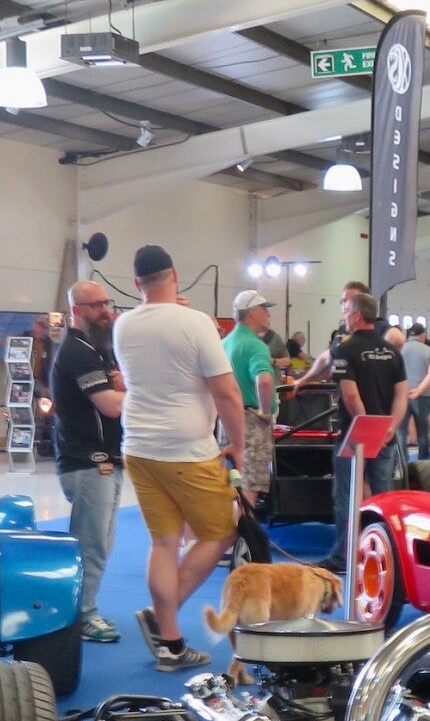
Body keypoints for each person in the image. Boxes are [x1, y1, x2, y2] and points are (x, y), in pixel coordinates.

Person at [112, 244, 247, 672]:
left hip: (139, 446)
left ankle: (169, 641)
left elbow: (157, 339)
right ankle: (162, 619)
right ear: (175, 274)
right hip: (187, 449)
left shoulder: (123, 324)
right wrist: (239, 444)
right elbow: (226, 391)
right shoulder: (196, 322)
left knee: (163, 543)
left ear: (136, 283)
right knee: (220, 532)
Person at [50, 281, 127, 643]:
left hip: (103, 459)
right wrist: (130, 390)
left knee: (101, 541)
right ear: (77, 311)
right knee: (91, 542)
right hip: (87, 461)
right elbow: (110, 405)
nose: (105, 311)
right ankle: (81, 614)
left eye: (106, 303)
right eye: (96, 306)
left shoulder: (97, 350)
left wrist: (122, 387)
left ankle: (83, 608)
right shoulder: (78, 353)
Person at [325, 291, 408, 572]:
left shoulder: (344, 349)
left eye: (347, 310)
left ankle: (343, 556)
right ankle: (390, 553)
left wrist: (365, 426)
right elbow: (402, 394)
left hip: (356, 437)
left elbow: (350, 395)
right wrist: (391, 426)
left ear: (357, 315)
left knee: (348, 496)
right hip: (386, 435)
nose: (344, 315)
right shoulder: (392, 352)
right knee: (384, 496)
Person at [222, 289, 278, 505]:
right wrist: (265, 411)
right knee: (250, 485)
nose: (268, 314)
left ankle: (228, 525)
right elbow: (264, 381)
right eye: (264, 309)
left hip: (226, 419)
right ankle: (241, 527)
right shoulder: (255, 345)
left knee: (231, 481)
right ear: (253, 312)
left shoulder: (224, 343)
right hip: (250, 421)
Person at [301, 280, 369, 382]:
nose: (345, 306)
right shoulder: (343, 330)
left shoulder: (377, 326)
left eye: (351, 301)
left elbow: (394, 337)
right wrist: (304, 380)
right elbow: (325, 357)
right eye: (343, 301)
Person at [395, 322, 430, 459]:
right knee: (422, 431)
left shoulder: (398, 349)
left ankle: (403, 462)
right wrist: (419, 390)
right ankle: (423, 462)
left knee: (400, 431)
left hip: (401, 395)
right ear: (423, 334)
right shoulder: (429, 350)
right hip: (422, 396)